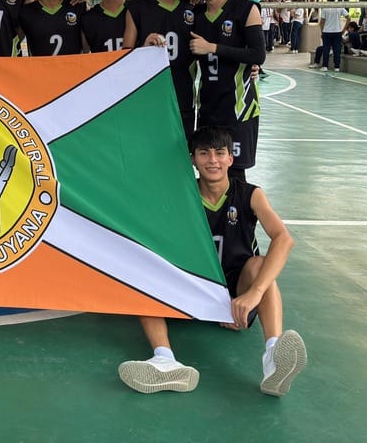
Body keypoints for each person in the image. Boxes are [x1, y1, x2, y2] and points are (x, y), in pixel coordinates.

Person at [117, 127, 307, 397]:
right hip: (194, 287)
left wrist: (253, 294)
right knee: (146, 268)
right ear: (193, 159)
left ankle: (274, 356)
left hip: (236, 293)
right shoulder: (182, 195)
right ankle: (164, 359)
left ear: (231, 158)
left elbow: (283, 239)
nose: (212, 160)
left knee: (258, 264)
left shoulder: (250, 194)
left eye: (220, 153)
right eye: (204, 153)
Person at [188, 0, 266, 180]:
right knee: (208, 174)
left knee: (235, 174)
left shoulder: (245, 9)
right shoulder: (195, 15)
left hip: (239, 109)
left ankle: (239, 216)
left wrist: (212, 47)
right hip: (208, 109)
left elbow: (257, 54)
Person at [123, 0, 197, 139]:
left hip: (183, 93)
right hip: (149, 93)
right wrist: (143, 48)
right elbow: (125, 54)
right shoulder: (137, 7)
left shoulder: (195, 4)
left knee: (183, 152)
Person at [317, 0, 348, 72]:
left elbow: (322, 21)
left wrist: (322, 32)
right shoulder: (339, 7)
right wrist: (344, 29)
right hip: (337, 32)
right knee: (337, 50)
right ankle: (337, 67)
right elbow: (349, 18)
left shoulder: (325, 8)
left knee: (326, 49)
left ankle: (325, 66)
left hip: (327, 32)